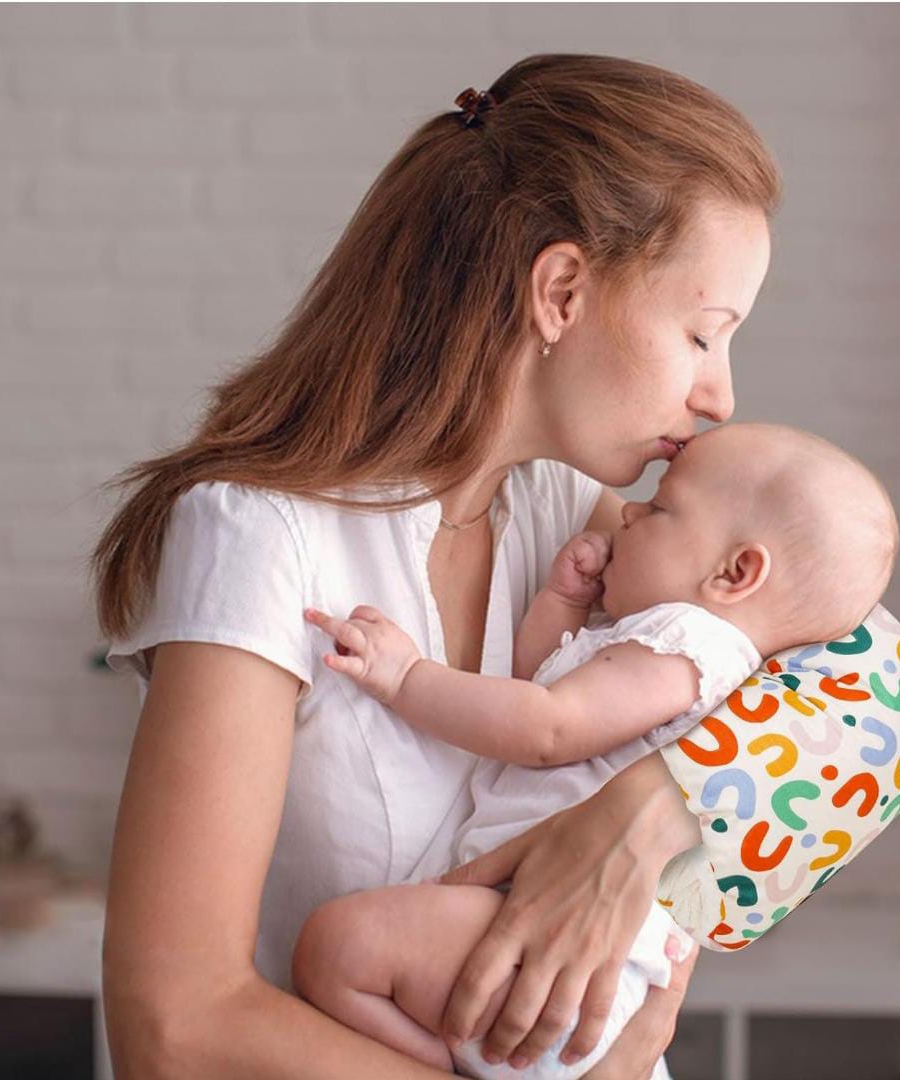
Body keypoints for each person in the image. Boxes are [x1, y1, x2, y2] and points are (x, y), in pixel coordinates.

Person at [91, 52, 844, 1078]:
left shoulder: (582, 530)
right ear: (563, 290)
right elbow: (171, 1029)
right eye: (703, 336)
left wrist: (651, 808)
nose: (720, 396)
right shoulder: (260, 537)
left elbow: (894, 695)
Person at [290, 421, 898, 1078]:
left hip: (552, 951)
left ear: (735, 572)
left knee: (338, 950)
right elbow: (543, 686)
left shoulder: (690, 644)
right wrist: (564, 604)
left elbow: (547, 729)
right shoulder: (657, 642)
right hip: (550, 946)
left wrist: (407, 679)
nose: (630, 512)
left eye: (661, 508)